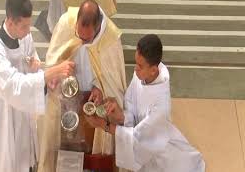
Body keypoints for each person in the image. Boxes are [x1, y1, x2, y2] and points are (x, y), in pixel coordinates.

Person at [0, 0, 75, 172]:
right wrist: (51, 73)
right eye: (24, 26)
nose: (29, 31)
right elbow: (14, 84)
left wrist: (41, 74)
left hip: (21, 110)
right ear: (10, 21)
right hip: (0, 114)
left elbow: (31, 60)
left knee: (20, 156)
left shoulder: (24, 37)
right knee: (3, 158)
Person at [86, 34, 205, 172]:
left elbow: (138, 138)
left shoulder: (161, 107)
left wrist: (102, 125)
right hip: (146, 138)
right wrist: (120, 115)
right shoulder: (143, 75)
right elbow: (132, 107)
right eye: (136, 63)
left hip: (159, 150)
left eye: (140, 66)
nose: (135, 69)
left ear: (154, 69)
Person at [37, 0, 127, 172]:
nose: (82, 42)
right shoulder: (66, 23)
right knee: (66, 149)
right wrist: (58, 74)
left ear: (98, 26)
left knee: (93, 153)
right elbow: (53, 60)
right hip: (66, 100)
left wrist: (100, 87)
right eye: (79, 36)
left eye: (87, 39)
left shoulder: (111, 38)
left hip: (94, 103)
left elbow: (113, 81)